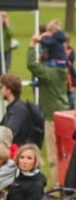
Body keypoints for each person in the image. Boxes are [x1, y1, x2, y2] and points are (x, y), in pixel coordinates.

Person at [28, 33, 68, 182]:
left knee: (54, 156)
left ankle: (58, 188)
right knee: (66, 154)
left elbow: (32, 65)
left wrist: (32, 44)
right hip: (65, 114)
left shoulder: (50, 73)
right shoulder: (61, 70)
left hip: (52, 117)